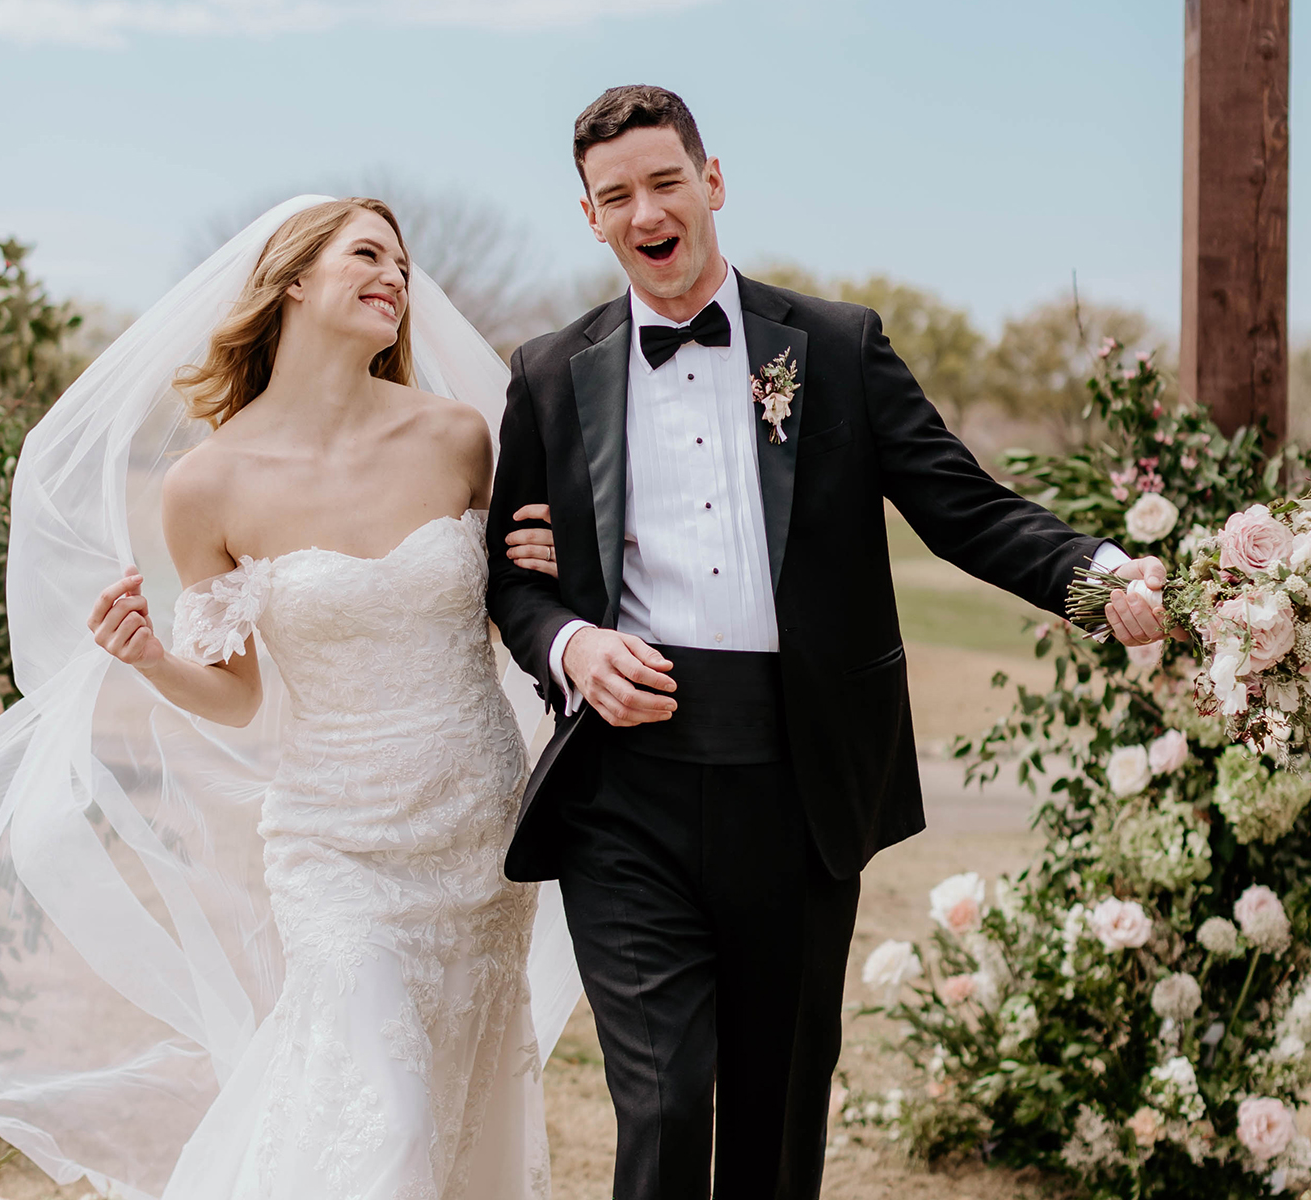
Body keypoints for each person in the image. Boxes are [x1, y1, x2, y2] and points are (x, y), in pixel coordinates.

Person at [486, 85, 1167, 1200]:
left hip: (796, 781)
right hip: (624, 787)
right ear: (590, 215)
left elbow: (960, 505)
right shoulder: (551, 373)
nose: (646, 211)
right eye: (617, 195)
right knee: (663, 1100)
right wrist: (571, 647)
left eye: (665, 182)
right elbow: (512, 579)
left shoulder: (838, 347)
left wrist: (1095, 577)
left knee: (779, 1106)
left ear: (712, 182)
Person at [0, 197, 582, 1200]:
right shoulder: (205, 484)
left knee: (458, 1106)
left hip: (477, 826)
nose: (396, 279)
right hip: (337, 843)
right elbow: (236, 695)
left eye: (404, 266)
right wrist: (148, 656)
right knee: (388, 1122)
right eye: (369, 255)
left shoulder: (456, 437)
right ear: (293, 280)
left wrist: (544, 568)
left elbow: (502, 614)